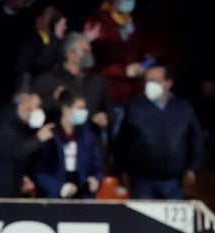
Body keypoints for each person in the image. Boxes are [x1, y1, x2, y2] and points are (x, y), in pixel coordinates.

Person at [115, 63, 202, 200]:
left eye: (154, 81)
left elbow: (196, 139)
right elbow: (123, 142)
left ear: (168, 83)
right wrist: (123, 171)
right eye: (147, 81)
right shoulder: (135, 107)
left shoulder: (184, 108)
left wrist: (193, 168)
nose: (149, 85)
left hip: (173, 181)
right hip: (142, 181)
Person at [32, 32, 112, 135]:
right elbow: (33, 115)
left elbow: (110, 111)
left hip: (89, 142)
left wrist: (106, 118)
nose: (89, 55)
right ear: (70, 54)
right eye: (84, 51)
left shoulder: (99, 81)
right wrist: (53, 100)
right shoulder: (48, 80)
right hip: (56, 142)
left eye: (89, 50)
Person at [32, 90, 104, 199]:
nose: (84, 112)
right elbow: (39, 172)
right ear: (65, 109)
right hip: (55, 196)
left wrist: (95, 179)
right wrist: (60, 187)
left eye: (84, 108)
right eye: (79, 108)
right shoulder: (49, 135)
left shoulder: (88, 136)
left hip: (83, 195)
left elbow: (98, 167)